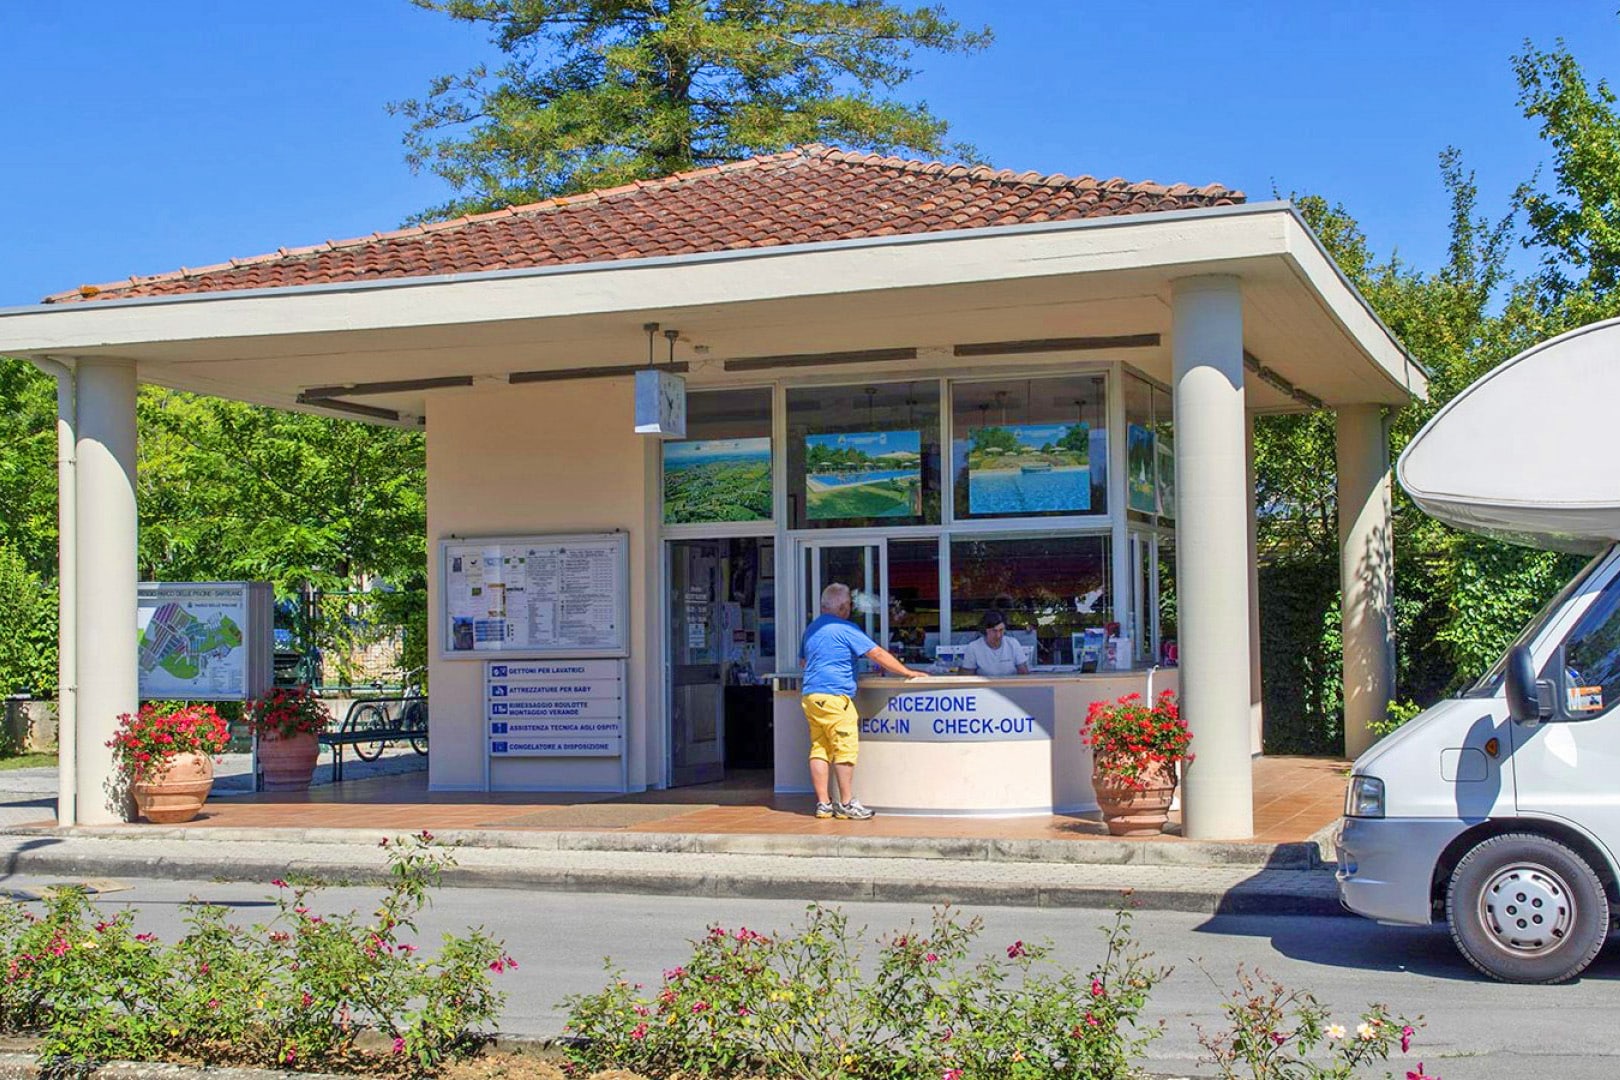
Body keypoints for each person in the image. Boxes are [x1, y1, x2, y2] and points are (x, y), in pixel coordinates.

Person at [800, 582, 927, 820]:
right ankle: (846, 804)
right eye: (849, 605)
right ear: (842, 606)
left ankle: (823, 804)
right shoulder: (845, 628)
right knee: (845, 749)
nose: (850, 609)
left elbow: (804, 663)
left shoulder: (812, 629)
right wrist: (906, 672)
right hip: (835, 697)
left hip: (811, 696)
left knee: (820, 748)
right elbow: (876, 653)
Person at [960, 610, 1030, 676]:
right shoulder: (973, 647)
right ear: (985, 630)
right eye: (994, 631)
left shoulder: (1013, 644)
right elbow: (967, 676)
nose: (998, 635)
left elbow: (1024, 673)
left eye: (1001, 630)